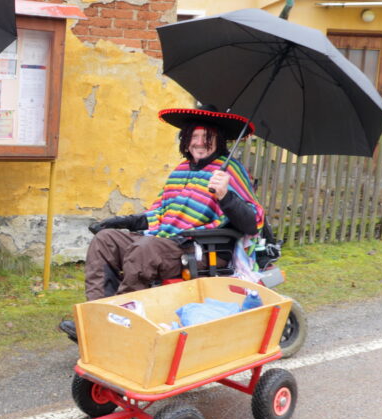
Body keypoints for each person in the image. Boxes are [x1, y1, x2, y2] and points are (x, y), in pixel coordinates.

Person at [59, 108, 264, 342]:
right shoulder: (181, 170)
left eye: (208, 137)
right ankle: (96, 316)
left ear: (219, 141)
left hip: (198, 249)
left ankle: (122, 318)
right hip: (164, 241)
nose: (200, 143)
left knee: (145, 248)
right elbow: (159, 213)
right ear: (186, 140)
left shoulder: (229, 170)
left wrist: (225, 195)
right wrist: (124, 222)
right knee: (105, 240)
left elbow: (252, 223)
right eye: (194, 136)